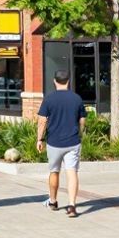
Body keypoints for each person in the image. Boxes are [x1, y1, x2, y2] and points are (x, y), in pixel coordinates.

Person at [36, 69, 87, 218]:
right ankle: (72, 206)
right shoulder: (77, 99)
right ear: (68, 81)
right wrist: (80, 133)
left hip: (54, 142)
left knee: (54, 171)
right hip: (73, 141)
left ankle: (53, 201)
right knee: (72, 172)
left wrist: (39, 139)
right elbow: (82, 120)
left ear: (54, 81)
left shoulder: (49, 99)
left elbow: (42, 120)